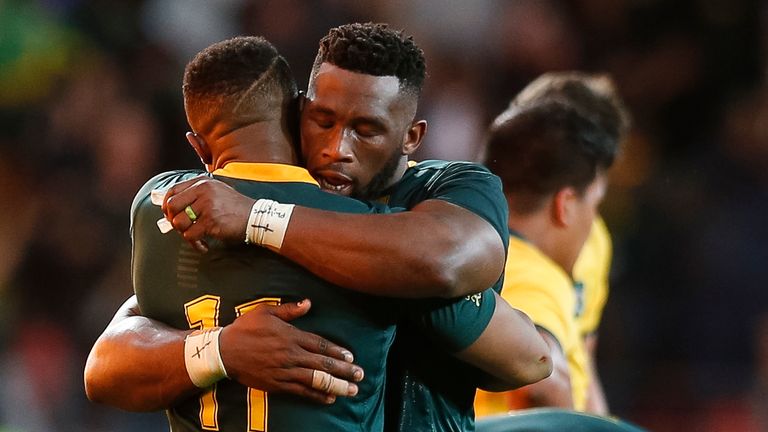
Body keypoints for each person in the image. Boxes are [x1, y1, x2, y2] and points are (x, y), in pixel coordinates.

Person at [85, 24, 552, 432]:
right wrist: (218, 348)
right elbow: (107, 363)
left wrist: (257, 219)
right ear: (294, 111)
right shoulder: (220, 208)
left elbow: (462, 281)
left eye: (365, 130)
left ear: (411, 137)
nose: (335, 149)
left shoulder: (450, 189)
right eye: (322, 121)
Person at [474, 72, 630, 416]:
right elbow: (546, 378)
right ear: (566, 203)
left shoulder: (592, 242)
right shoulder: (535, 275)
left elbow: (581, 359)